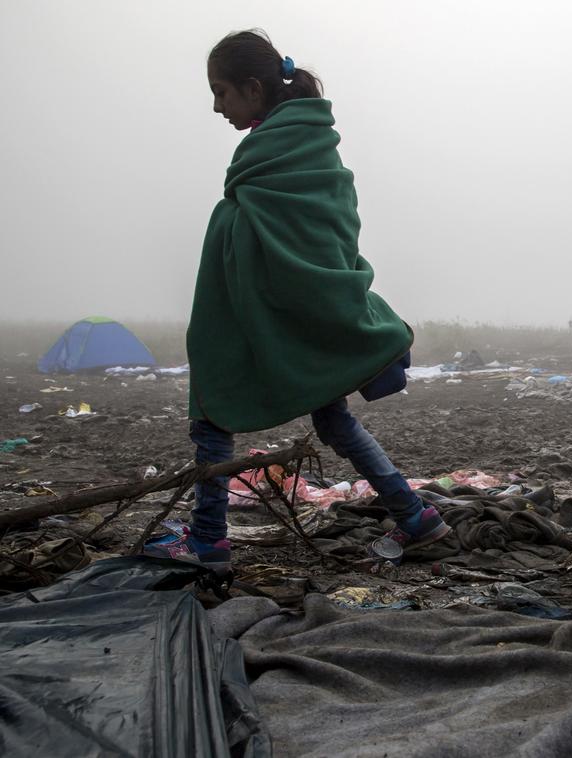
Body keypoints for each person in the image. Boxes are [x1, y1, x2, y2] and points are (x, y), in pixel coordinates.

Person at [142, 30, 450, 574]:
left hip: (261, 311)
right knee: (333, 418)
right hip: (295, 314)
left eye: (221, 92)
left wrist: (235, 231)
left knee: (212, 414)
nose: (216, 106)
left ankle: (208, 542)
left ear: (254, 88)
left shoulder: (272, 156)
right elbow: (324, 237)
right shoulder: (311, 150)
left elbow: (305, 243)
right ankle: (414, 515)